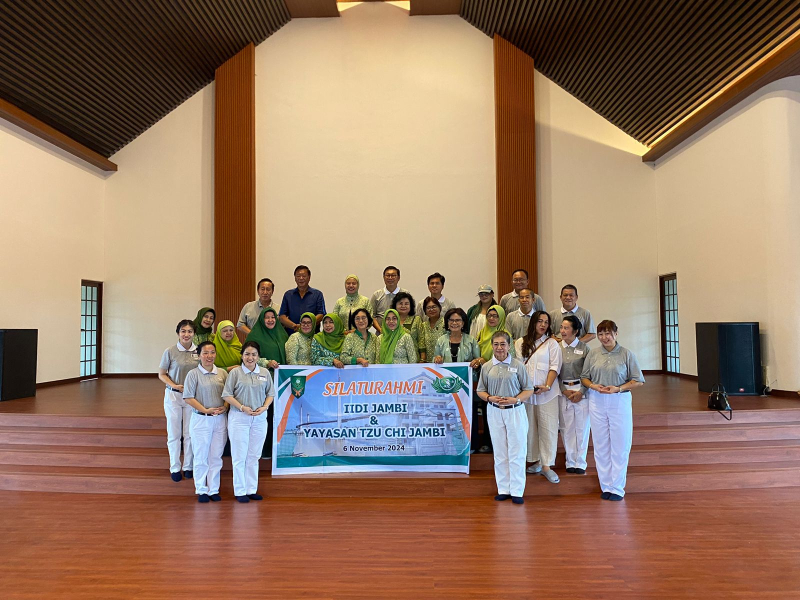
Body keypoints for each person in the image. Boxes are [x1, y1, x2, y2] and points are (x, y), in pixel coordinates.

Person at [580, 320, 645, 501]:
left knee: (620, 444)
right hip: (597, 400)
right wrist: (593, 385)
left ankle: (617, 487)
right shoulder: (593, 354)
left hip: (619, 399)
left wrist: (619, 388)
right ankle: (606, 485)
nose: (604, 337)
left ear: (616, 333)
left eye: (608, 333)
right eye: (601, 334)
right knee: (601, 445)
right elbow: (584, 377)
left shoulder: (626, 354)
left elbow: (638, 380)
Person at [476, 331, 534, 504]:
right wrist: (489, 398)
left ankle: (517, 490)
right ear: (492, 346)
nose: (499, 348)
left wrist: (515, 399)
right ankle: (503, 489)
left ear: (509, 346)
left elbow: (528, 389)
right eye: (496, 344)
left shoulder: (518, 365)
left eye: (503, 344)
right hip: (494, 411)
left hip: (515, 411)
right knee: (500, 452)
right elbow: (480, 390)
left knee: (517, 451)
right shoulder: (487, 367)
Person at [222, 341, 275, 503]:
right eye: (247, 354)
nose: (250, 357)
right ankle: (240, 491)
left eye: (253, 354)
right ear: (242, 356)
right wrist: (242, 407)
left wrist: (265, 407)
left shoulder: (265, 372)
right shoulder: (235, 373)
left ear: (258, 357)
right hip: (239, 418)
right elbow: (227, 395)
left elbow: (270, 393)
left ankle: (251, 489)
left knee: (254, 455)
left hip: (259, 419)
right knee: (239, 455)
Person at [516, 311, 562, 484]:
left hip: (548, 394)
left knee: (548, 429)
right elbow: (519, 368)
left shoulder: (552, 344)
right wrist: (526, 388)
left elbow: (554, 367)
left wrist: (547, 386)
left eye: (546, 322)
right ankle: (537, 460)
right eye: (540, 321)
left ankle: (547, 466)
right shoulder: (520, 342)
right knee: (530, 429)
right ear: (533, 323)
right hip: (527, 394)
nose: (543, 325)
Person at [434, 308, 486, 452]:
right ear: (447, 322)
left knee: (469, 414)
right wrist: (436, 359)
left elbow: (479, 359)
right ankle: (450, 446)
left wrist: (478, 361)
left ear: (463, 323)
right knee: (450, 415)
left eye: (458, 320)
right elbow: (435, 359)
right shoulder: (441, 340)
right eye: (451, 320)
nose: (454, 323)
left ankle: (472, 446)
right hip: (447, 387)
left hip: (467, 386)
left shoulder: (471, 340)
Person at [182, 341, 229, 503]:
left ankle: (213, 489)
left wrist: (225, 406)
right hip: (201, 420)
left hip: (220, 420)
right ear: (199, 355)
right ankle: (201, 489)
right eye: (206, 353)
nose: (209, 356)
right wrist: (205, 410)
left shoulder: (222, 373)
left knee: (216, 456)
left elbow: (228, 395)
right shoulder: (193, 374)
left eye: (212, 352)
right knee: (201, 456)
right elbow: (188, 397)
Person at [158, 319, 199, 482]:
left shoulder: (199, 351)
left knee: (189, 433)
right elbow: (161, 374)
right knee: (174, 434)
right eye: (183, 331)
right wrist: (175, 385)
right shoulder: (170, 351)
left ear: (194, 334)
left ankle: (188, 466)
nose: (186, 334)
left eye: (190, 331)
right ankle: (175, 467)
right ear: (178, 333)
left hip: (192, 398)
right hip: (174, 396)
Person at [244, 307, 288, 457]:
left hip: (281, 382)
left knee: (280, 414)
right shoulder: (255, 335)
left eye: (273, 317)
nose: (270, 320)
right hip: (261, 383)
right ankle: (263, 450)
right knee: (265, 415)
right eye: (267, 317)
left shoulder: (282, 335)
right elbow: (247, 356)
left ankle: (278, 449)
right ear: (262, 320)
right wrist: (267, 362)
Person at [557, 315, 590, 474]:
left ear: (575, 331)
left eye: (566, 328)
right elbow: (553, 373)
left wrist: (582, 391)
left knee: (582, 428)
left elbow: (590, 373)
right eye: (562, 327)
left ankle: (581, 462)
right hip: (563, 390)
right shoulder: (556, 348)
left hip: (581, 390)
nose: (562, 331)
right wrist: (563, 390)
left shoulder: (584, 348)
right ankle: (570, 461)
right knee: (567, 427)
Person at [279, 265, 326, 335]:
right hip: (292, 334)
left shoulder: (317, 294)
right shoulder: (288, 295)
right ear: (295, 278)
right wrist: (295, 326)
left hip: (312, 335)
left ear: (309, 277)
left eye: (304, 276)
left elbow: (321, 315)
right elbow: (282, 316)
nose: (301, 278)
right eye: (298, 276)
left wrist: (305, 326)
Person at [369, 265, 408, 334]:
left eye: (393, 275)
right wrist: (381, 330)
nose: (390, 278)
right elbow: (372, 316)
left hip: (400, 334)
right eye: (388, 275)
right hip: (381, 334)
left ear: (398, 278)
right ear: (383, 277)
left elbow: (409, 315)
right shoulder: (377, 295)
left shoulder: (405, 294)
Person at [419, 297, 445, 363]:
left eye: (434, 307)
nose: (431, 310)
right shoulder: (423, 326)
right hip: (427, 364)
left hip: (443, 363)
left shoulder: (446, 324)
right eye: (428, 308)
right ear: (425, 311)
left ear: (440, 308)